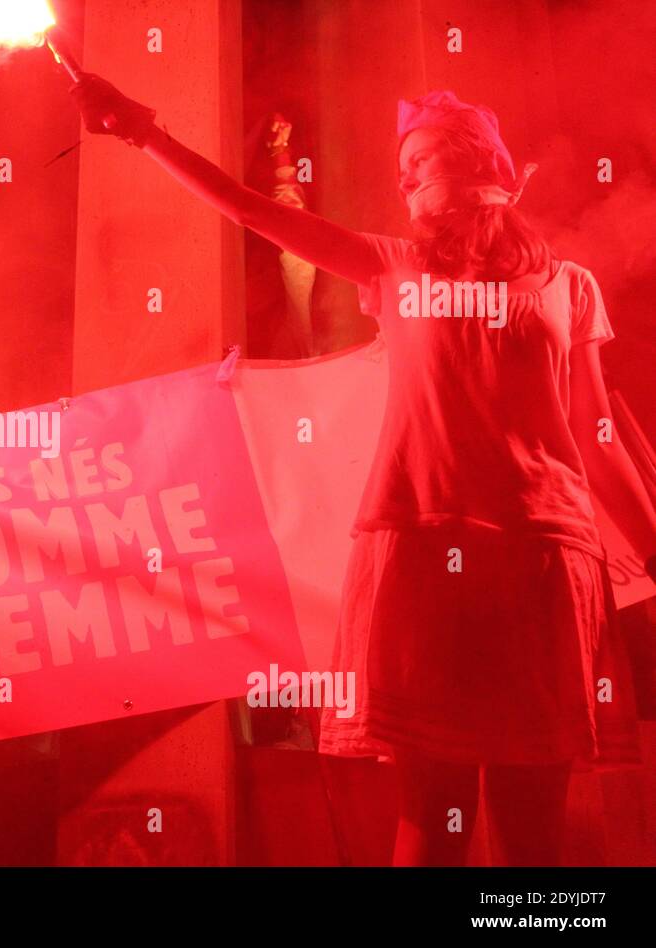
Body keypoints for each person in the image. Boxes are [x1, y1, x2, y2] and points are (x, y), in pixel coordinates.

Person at [69, 79, 656, 866]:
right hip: (423, 554)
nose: (408, 180)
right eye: (403, 167)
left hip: (545, 560)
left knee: (533, 825)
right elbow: (252, 210)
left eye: (420, 159)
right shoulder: (395, 269)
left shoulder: (567, 287)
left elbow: (598, 429)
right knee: (434, 810)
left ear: (482, 164)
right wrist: (147, 133)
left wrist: (655, 549)